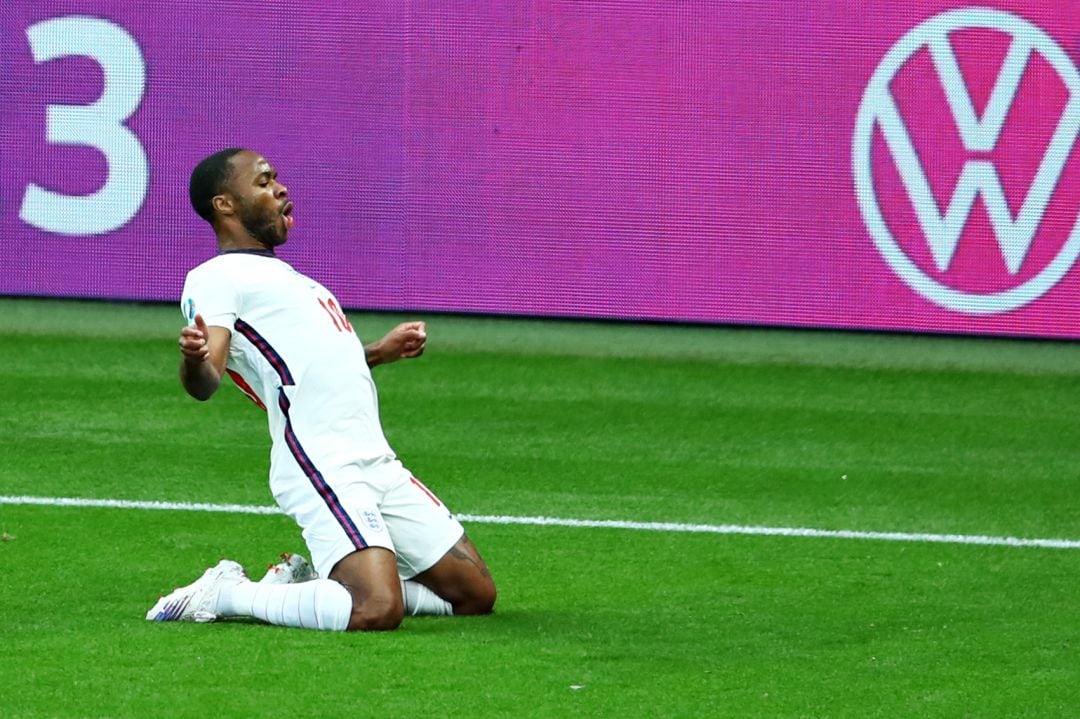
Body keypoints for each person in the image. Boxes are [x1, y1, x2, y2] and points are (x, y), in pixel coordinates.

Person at [146, 148, 496, 631]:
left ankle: (310, 586)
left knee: (474, 596)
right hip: (320, 459)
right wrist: (195, 359)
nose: (280, 188)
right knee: (375, 609)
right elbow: (207, 382)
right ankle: (229, 593)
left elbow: (313, 365)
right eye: (264, 181)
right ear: (225, 205)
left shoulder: (294, 280)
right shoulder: (215, 278)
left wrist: (376, 352)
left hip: (375, 459)